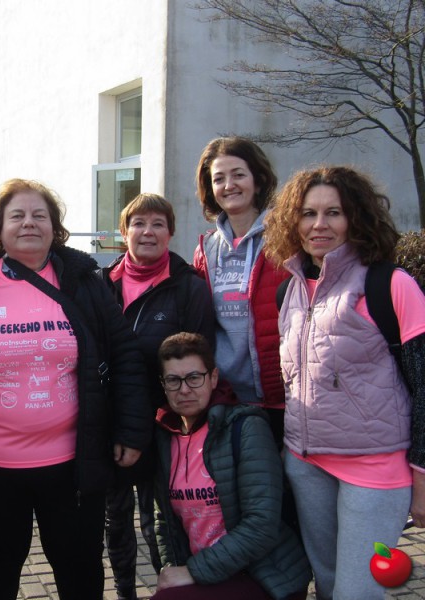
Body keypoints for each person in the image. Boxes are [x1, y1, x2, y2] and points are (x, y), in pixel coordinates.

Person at [0, 178, 153, 600]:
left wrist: (132, 431)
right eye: (17, 215)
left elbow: (125, 355)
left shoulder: (84, 282)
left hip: (73, 466)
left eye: (40, 215)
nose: (29, 223)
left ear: (54, 228)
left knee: (80, 574)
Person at [263, 165, 425, 600]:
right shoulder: (289, 291)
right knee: (329, 584)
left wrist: (422, 475)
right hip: (307, 464)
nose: (319, 224)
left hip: (375, 468)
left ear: (356, 217)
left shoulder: (390, 284)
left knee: (358, 593)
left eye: (333, 212)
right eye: (308, 213)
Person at [100, 193, 215, 600]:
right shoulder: (102, 284)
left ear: (170, 232)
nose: (147, 232)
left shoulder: (188, 287)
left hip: (166, 423)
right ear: (124, 231)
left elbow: (200, 358)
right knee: (115, 518)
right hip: (113, 422)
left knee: (162, 519)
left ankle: (169, 591)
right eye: (138, 223)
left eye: (157, 224)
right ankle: (125, 591)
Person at [151, 332, 310, 600]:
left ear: (213, 378)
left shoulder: (246, 427)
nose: (184, 389)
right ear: (163, 385)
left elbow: (261, 526)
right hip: (208, 574)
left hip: (262, 574)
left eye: (194, 377)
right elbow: (164, 519)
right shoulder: (166, 437)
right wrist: (170, 569)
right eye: (173, 380)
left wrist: (192, 572)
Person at [193, 136, 287, 445]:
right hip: (225, 398)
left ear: (258, 181)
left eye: (238, 175)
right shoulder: (206, 249)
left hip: (280, 398)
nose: (228, 185)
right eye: (218, 178)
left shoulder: (286, 241)